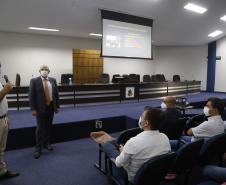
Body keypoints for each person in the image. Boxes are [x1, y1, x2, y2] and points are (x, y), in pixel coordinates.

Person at [103, 106, 171, 184]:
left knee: (107, 145)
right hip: (154, 176)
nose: (140, 118)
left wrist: (122, 152)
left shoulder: (133, 142)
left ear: (146, 123)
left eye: (142, 116)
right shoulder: (165, 138)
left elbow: (119, 163)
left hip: (133, 179)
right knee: (119, 146)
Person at [29, 65, 60, 159]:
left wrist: (57, 106)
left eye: (46, 69)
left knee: (48, 126)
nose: (44, 71)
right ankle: (38, 148)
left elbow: (56, 95)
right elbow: (31, 96)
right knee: (40, 128)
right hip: (40, 109)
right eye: (42, 69)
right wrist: (33, 109)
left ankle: (46, 143)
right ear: (39, 71)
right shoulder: (34, 81)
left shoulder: (53, 80)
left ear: (49, 71)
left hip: (51, 107)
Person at [0, 61, 20, 179]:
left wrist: (6, 117)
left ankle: (2, 171)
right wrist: (5, 90)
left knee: (1, 148)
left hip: (2, 119)